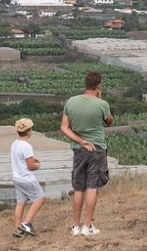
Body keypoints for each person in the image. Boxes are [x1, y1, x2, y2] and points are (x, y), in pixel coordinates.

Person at [60, 71, 114, 237]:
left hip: (78, 150)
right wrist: (100, 99)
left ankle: (75, 226)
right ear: (98, 86)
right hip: (97, 149)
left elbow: (64, 127)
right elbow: (109, 121)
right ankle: (87, 225)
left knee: (78, 188)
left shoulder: (71, 102)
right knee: (92, 186)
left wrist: (80, 141)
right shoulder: (101, 104)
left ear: (85, 84)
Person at [10, 117, 47, 238]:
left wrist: (31, 160)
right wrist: (37, 165)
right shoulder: (26, 146)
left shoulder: (14, 144)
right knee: (40, 198)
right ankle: (26, 224)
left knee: (20, 203)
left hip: (17, 178)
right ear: (29, 131)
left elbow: (20, 160)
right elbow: (31, 166)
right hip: (27, 179)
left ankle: (18, 230)